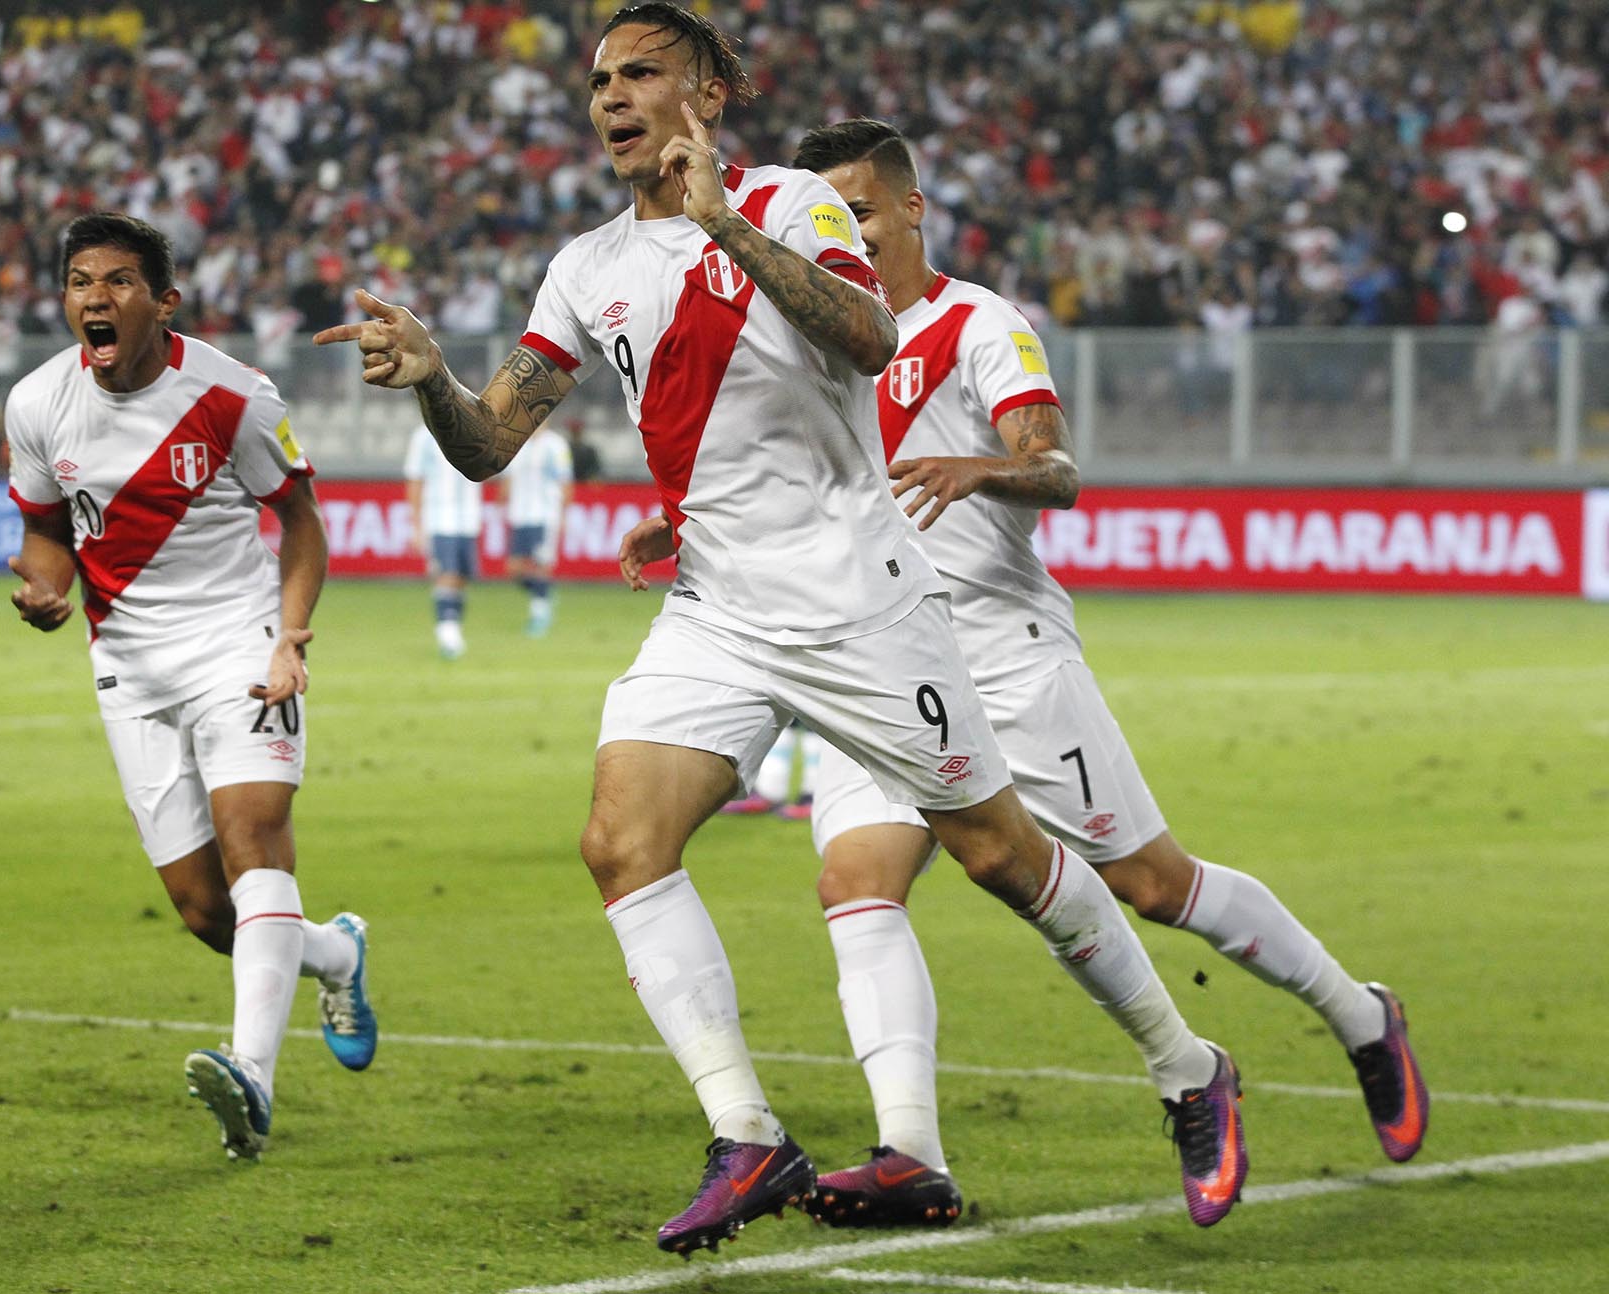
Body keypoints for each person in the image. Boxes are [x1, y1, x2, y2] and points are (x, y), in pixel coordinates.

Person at [318, 4, 1243, 1252]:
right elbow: (488, 447)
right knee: (618, 838)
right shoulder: (586, 268)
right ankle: (747, 1133)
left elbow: (868, 340)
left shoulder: (798, 202)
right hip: (720, 610)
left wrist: (723, 221)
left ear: (709, 90)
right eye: (600, 80)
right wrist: (432, 372)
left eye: (642, 73)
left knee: (1000, 857)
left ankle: (1188, 1067)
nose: (611, 97)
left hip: (862, 602)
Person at [784, 118, 1427, 1227]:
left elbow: (1058, 468)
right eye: (824, 216)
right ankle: (908, 1150)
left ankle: (1360, 1016)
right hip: (878, 660)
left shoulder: (977, 324)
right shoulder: (805, 344)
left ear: (912, 209)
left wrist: (985, 467)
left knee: (1153, 882)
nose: (847, 231)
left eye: (864, 209)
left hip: (999, 650)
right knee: (857, 881)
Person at [3, 212, 377, 1165]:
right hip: (129, 668)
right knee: (210, 913)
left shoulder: (232, 395)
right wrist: (46, 586)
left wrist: (291, 636)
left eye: (120, 281)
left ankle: (251, 1073)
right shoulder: (38, 404)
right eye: (81, 281)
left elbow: (299, 520)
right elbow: (47, 529)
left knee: (258, 841)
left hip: (238, 648)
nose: (97, 297)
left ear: (163, 301)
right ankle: (334, 953)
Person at [403, 427, 484, 659]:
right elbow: (415, 480)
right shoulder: (423, 437)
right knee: (446, 574)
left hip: (469, 519)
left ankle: (453, 627)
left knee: (461, 576)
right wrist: (417, 525)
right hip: (439, 518)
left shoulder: (474, 427)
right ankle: (447, 633)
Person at [498, 422, 575, 636]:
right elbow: (508, 478)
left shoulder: (556, 445)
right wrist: (501, 502)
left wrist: (563, 515)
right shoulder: (515, 442)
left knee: (541, 565)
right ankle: (544, 594)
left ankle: (539, 615)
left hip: (545, 515)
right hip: (519, 514)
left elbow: (565, 482)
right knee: (514, 569)